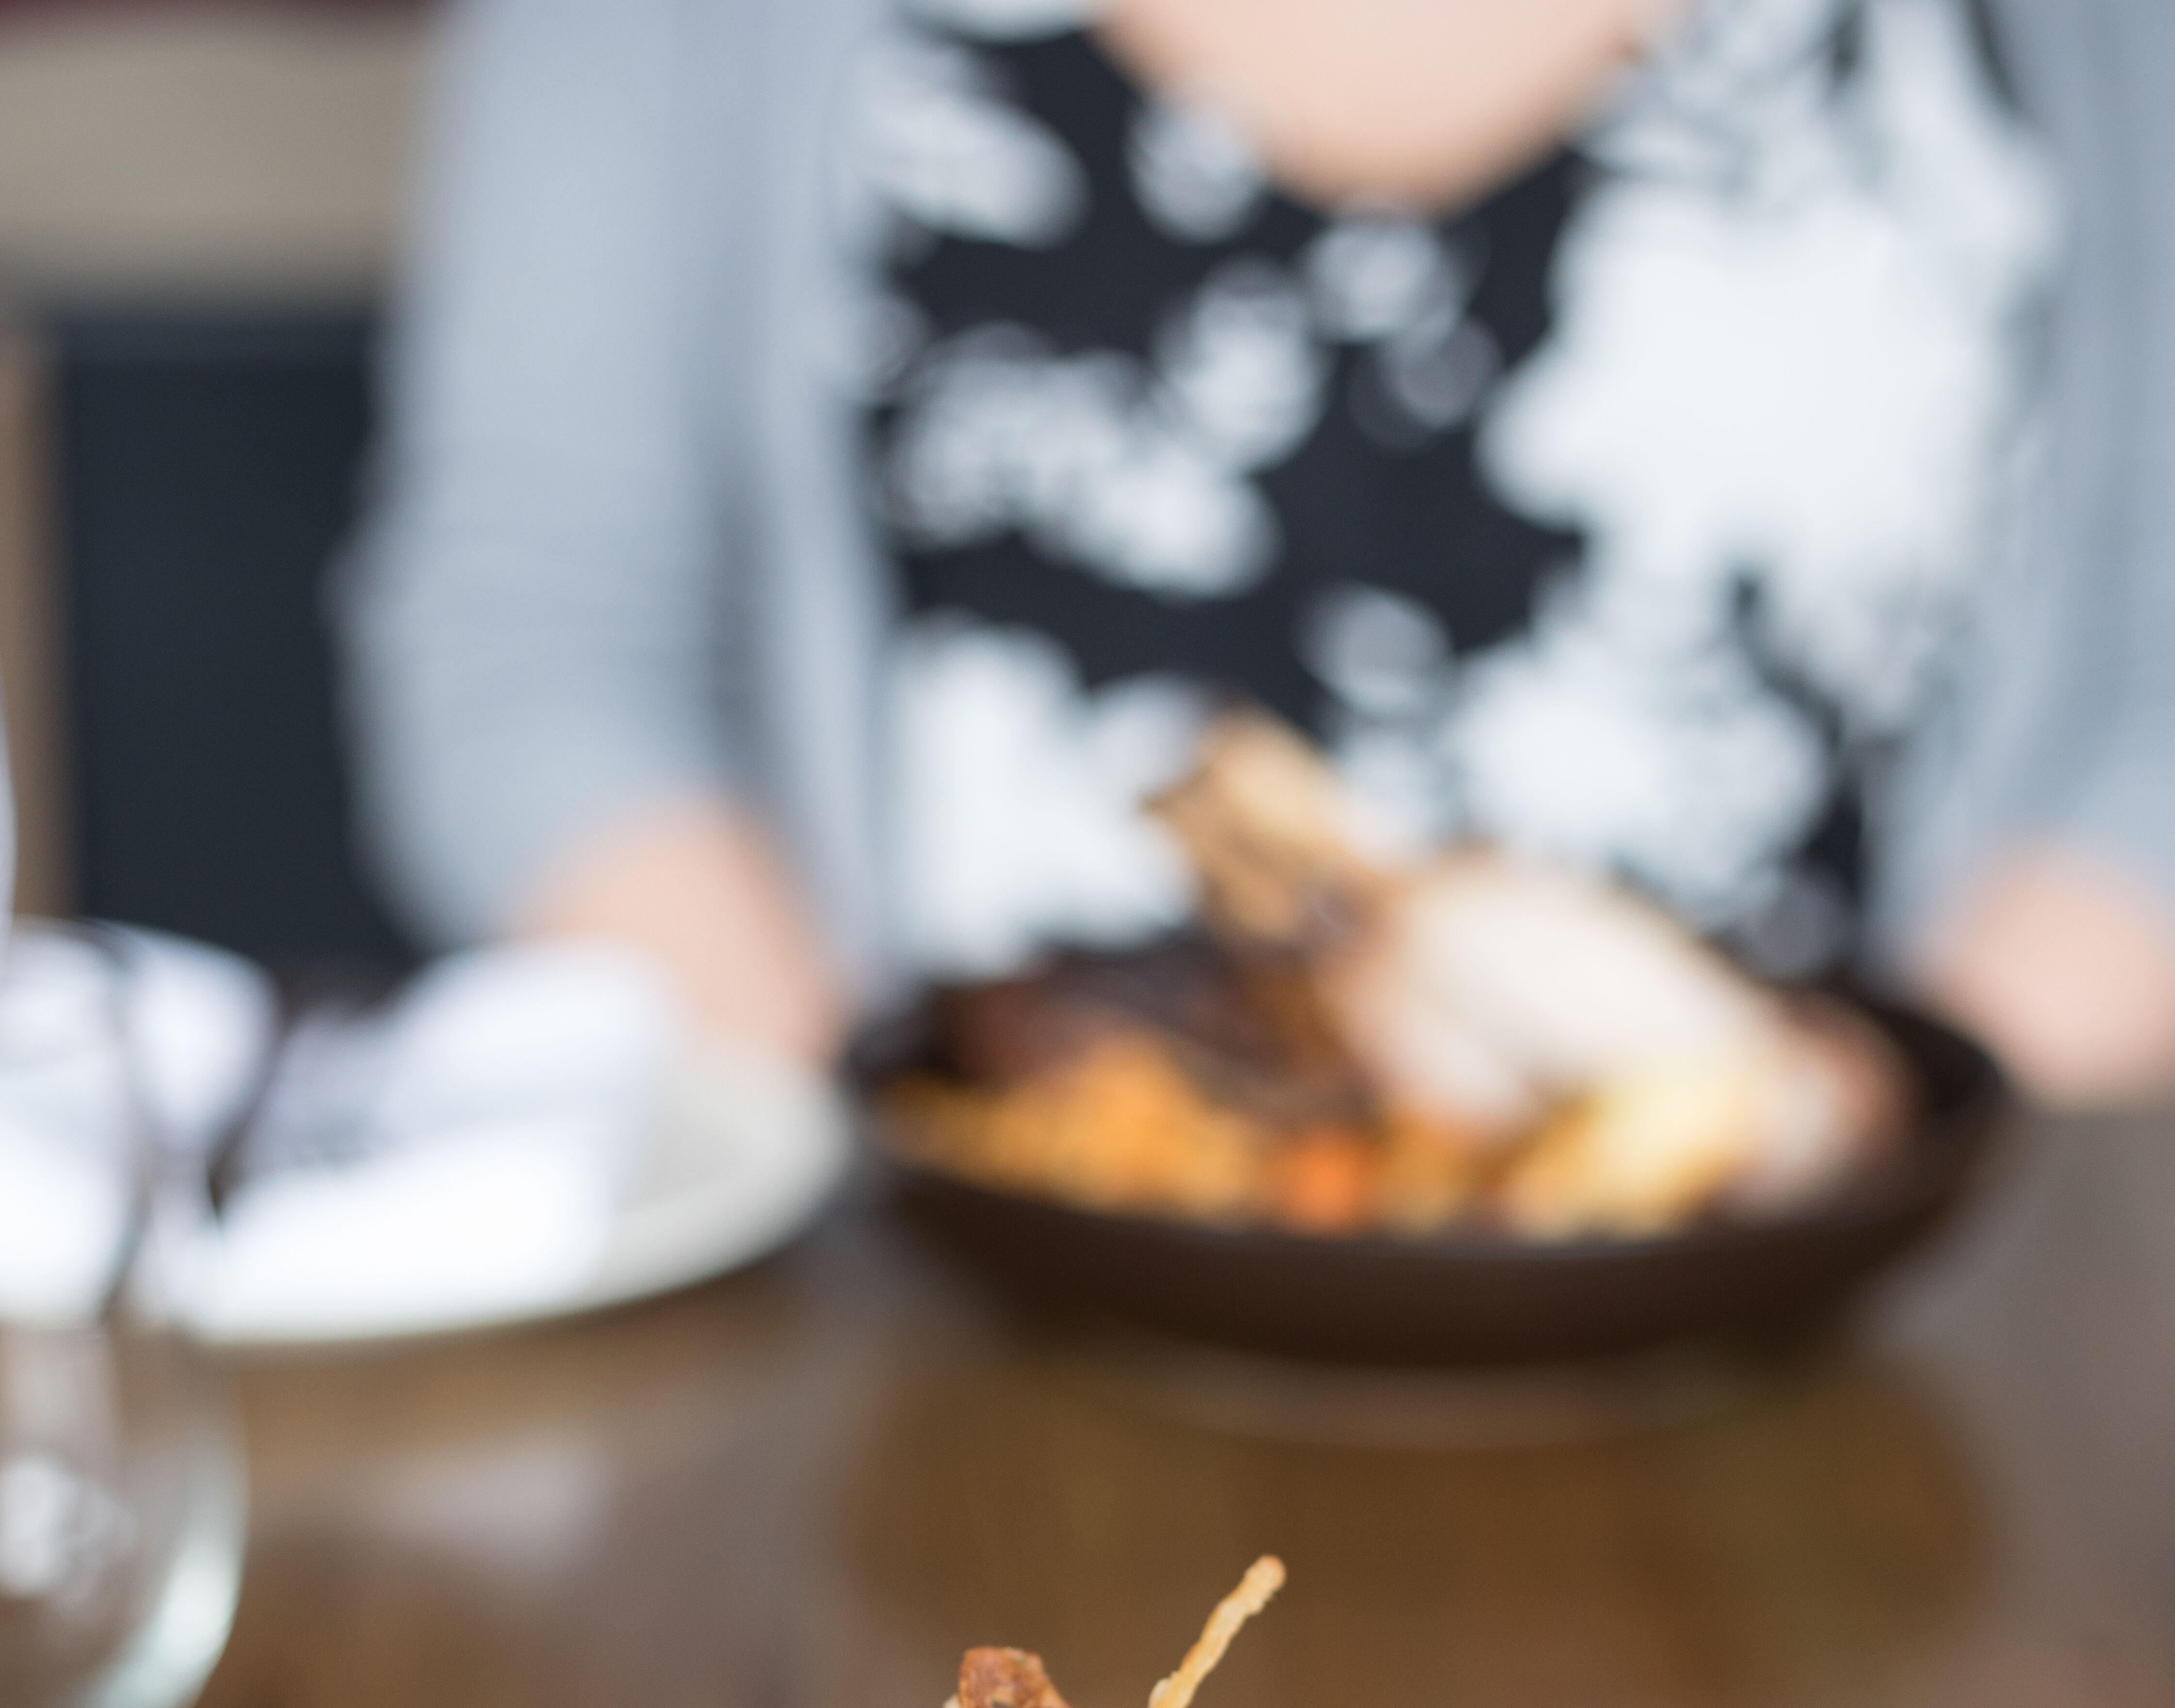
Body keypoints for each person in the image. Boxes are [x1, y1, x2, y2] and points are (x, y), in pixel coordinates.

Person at [343, 0, 2175, 1107]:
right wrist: (897, 1165)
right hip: (947, 1342)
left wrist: (1844, 1149)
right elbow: (538, 640)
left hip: (1864, 1369)